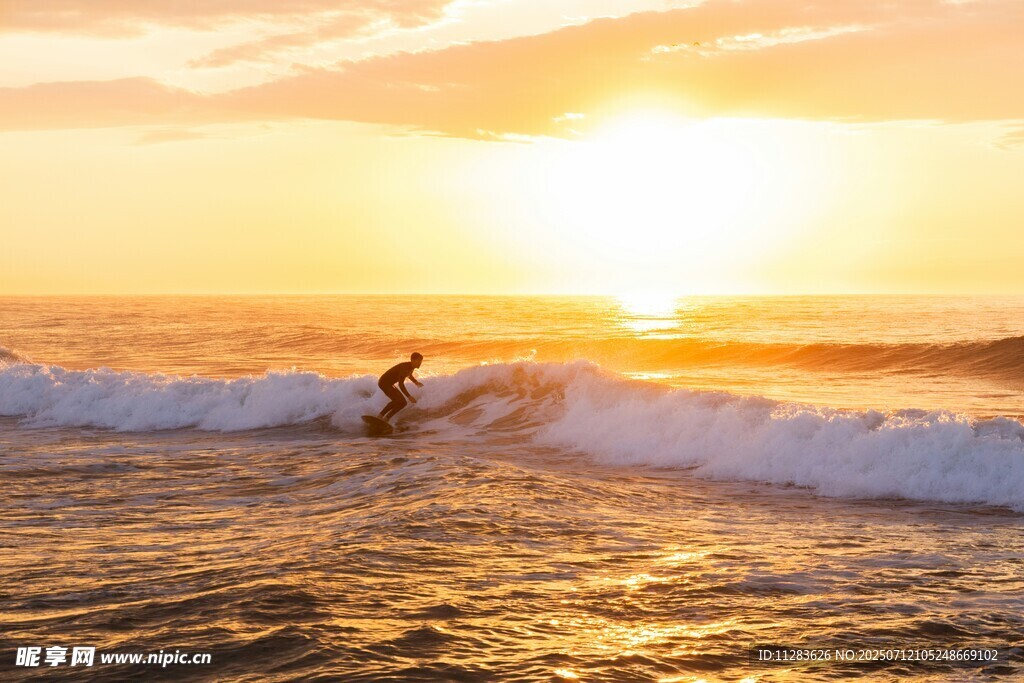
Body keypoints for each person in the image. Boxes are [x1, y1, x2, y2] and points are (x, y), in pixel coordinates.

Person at [377, 352, 423, 422]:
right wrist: (409, 396)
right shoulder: (405, 367)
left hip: (388, 384)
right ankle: (380, 416)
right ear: (413, 360)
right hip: (384, 382)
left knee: (403, 403)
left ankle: (386, 418)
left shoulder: (411, 367)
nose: (420, 362)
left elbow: (409, 375)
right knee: (397, 400)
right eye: (418, 360)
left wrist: (416, 382)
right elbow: (401, 384)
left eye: (421, 360)